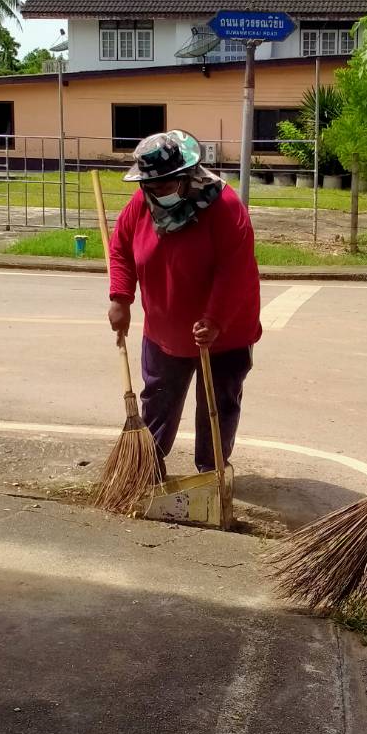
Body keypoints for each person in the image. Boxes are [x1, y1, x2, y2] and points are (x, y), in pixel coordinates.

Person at [107, 130, 261, 475]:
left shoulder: (225, 207)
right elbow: (121, 247)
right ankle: (145, 466)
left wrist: (215, 320)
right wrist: (121, 296)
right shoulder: (142, 202)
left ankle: (213, 470)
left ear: (186, 177)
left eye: (164, 185)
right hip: (166, 329)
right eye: (150, 186)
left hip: (226, 332)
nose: (156, 193)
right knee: (158, 398)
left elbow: (234, 272)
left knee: (219, 404)